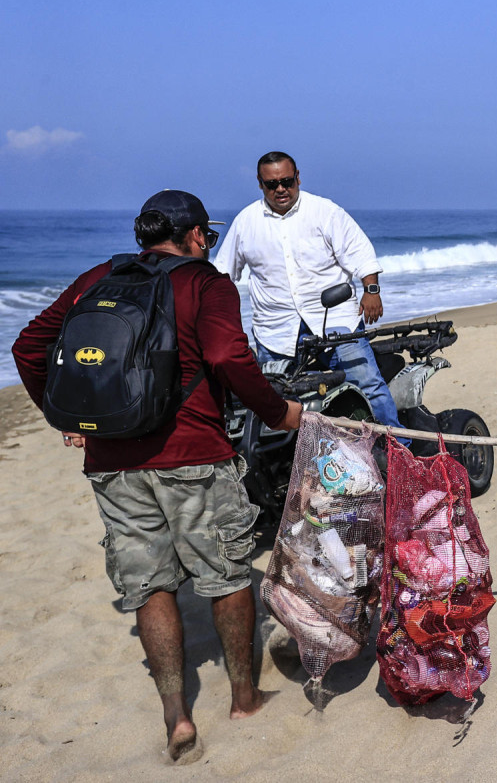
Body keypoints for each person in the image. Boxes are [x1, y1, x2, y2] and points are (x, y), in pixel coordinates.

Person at [11, 190, 303, 764]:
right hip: (194, 453)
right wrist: (278, 412)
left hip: (113, 460)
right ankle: (244, 697)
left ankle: (177, 716)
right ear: (196, 235)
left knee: (148, 586)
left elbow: (29, 346)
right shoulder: (205, 282)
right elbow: (225, 357)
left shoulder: (98, 277)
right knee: (224, 574)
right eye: (207, 236)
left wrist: (63, 416)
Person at [214, 151, 405, 434]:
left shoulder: (325, 211)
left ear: (298, 178)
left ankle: (398, 452)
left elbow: (359, 251)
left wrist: (372, 290)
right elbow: (223, 276)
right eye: (271, 184)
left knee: (369, 386)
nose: (280, 189)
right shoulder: (246, 222)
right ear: (259, 184)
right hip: (275, 329)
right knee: (277, 403)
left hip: (337, 320)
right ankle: (298, 467)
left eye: (287, 181)